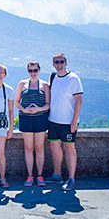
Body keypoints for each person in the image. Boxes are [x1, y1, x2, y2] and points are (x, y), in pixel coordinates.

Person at [47, 53, 83, 191]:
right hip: (53, 120)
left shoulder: (73, 78)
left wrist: (74, 121)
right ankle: (57, 175)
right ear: (53, 64)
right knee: (54, 148)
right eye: (56, 62)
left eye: (61, 61)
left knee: (69, 149)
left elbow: (79, 101)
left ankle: (71, 179)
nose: (59, 64)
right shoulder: (53, 77)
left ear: (66, 62)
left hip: (68, 122)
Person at [14, 62, 50, 187]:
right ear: (28, 71)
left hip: (40, 119)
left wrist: (38, 109)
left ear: (39, 70)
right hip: (26, 119)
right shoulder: (22, 84)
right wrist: (24, 110)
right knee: (28, 148)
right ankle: (30, 176)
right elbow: (16, 102)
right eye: (30, 70)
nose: (33, 73)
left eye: (35, 70)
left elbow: (48, 104)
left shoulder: (45, 85)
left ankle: (39, 175)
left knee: (39, 148)